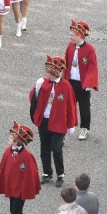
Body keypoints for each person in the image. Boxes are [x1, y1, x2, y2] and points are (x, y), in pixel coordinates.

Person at [29, 55, 77, 187]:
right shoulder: (43, 83)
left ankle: (60, 174)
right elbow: (33, 99)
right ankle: (47, 172)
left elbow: (71, 106)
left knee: (56, 148)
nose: (46, 74)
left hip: (59, 122)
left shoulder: (66, 86)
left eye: (48, 72)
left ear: (55, 73)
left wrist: (71, 124)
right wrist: (36, 88)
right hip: (44, 120)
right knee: (44, 148)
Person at [0, 121, 41, 214]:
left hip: (21, 188)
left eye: (11, 138)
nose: (9, 139)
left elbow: (31, 173)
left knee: (16, 208)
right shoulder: (7, 151)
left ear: (17, 141)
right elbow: (4, 168)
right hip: (11, 186)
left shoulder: (27, 156)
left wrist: (27, 188)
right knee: (12, 206)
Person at [63, 20, 98, 141]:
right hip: (70, 82)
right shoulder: (70, 46)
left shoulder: (89, 49)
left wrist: (90, 83)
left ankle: (85, 127)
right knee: (68, 106)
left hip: (83, 84)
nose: (70, 37)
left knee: (84, 107)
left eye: (72, 35)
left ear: (80, 36)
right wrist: (63, 80)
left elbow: (92, 67)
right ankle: (66, 127)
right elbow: (65, 63)